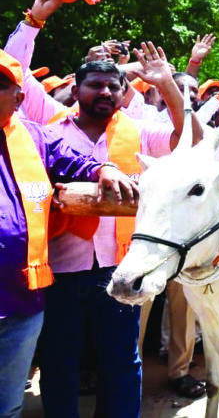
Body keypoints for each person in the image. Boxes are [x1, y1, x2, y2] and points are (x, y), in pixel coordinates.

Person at [0, 48, 137, 418]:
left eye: (113, 86)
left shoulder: (34, 138)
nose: (105, 92)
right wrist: (35, 20)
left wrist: (103, 167)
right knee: (59, 364)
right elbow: (20, 63)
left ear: (18, 98)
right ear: (75, 91)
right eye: (95, 84)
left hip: (41, 289)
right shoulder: (51, 126)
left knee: (119, 362)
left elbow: (76, 161)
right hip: (55, 274)